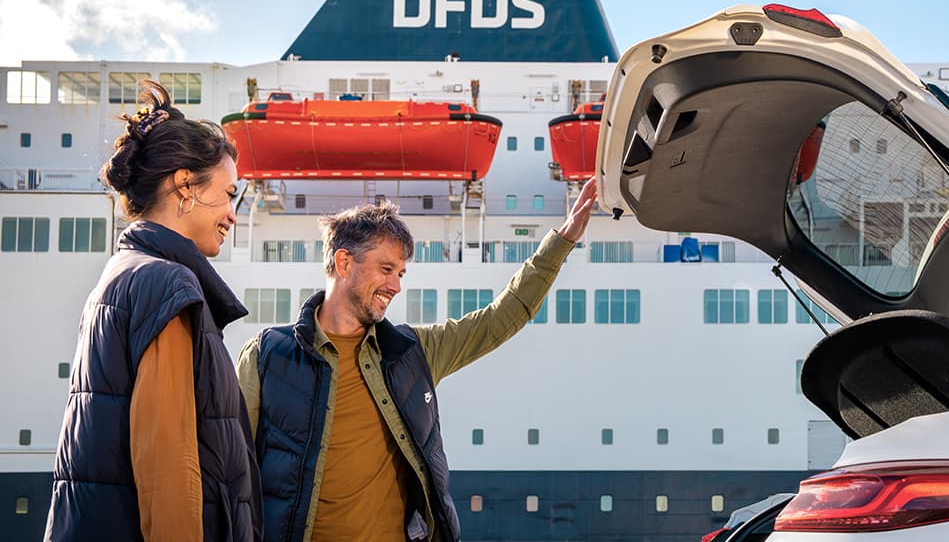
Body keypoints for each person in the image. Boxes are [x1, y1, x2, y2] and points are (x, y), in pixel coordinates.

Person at [236, 178, 598, 542]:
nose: (396, 286)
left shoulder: (411, 352)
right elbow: (232, 468)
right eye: (386, 269)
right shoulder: (267, 355)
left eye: (401, 273)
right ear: (344, 262)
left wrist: (562, 240)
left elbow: (499, 319)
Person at [44, 80, 262, 541]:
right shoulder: (166, 282)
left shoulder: (121, 275)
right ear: (186, 186)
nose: (233, 214)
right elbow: (168, 466)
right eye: (228, 194)